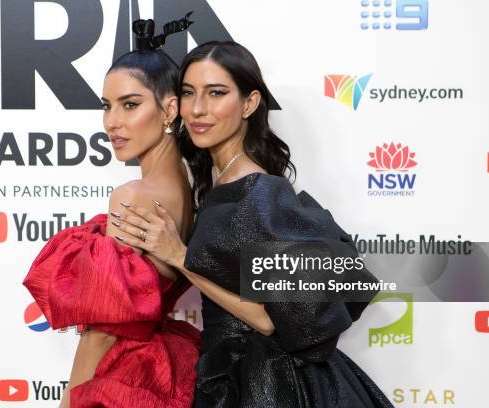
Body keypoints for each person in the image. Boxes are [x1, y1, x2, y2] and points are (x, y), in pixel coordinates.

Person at [112, 41, 394, 407]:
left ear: (249, 103)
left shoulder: (256, 192)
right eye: (188, 93)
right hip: (236, 372)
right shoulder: (221, 179)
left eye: (216, 94)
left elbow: (268, 321)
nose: (198, 109)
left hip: (271, 385)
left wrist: (179, 256)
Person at [23, 15, 200, 408]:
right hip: (166, 369)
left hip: (123, 376)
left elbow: (101, 331)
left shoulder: (133, 196)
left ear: (170, 109)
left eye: (130, 105)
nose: (112, 122)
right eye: (107, 106)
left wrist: (69, 401)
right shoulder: (187, 190)